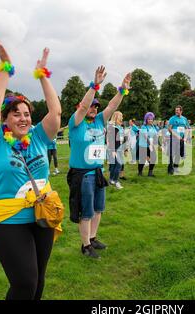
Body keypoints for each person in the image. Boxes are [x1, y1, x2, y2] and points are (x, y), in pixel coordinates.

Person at [0, 39, 62, 300]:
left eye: (27, 114)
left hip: (41, 215)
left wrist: (43, 74)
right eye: (17, 114)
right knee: (24, 282)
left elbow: (55, 112)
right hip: (5, 219)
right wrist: (6, 70)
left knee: (38, 281)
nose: (24, 118)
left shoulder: (39, 137)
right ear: (6, 119)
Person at [67, 67, 131, 259]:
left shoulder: (99, 122)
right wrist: (95, 86)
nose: (94, 108)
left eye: (96, 106)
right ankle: (85, 246)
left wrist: (122, 89)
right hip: (81, 174)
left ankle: (93, 238)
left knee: (98, 209)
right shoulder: (76, 123)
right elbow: (84, 107)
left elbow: (111, 106)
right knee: (85, 212)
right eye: (91, 106)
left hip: (97, 171)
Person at [167, 106, 190, 175]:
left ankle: (176, 167)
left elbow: (187, 129)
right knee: (172, 154)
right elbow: (169, 129)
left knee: (178, 154)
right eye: (175, 110)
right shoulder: (172, 118)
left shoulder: (184, 119)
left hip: (181, 139)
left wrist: (185, 138)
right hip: (174, 138)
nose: (176, 111)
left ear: (181, 111)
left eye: (178, 110)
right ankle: (170, 169)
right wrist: (176, 135)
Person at [107, 111, 126, 189]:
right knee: (118, 165)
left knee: (115, 165)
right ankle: (115, 180)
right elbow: (111, 140)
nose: (122, 118)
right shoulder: (113, 127)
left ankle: (111, 180)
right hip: (114, 149)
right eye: (120, 116)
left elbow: (122, 139)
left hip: (119, 149)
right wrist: (113, 150)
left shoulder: (120, 127)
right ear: (116, 117)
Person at [138, 112, 158, 177]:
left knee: (154, 158)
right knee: (142, 160)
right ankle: (140, 172)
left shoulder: (153, 127)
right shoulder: (144, 127)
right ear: (146, 119)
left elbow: (155, 136)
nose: (150, 120)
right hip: (144, 145)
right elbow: (145, 137)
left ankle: (150, 173)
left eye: (151, 119)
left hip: (151, 145)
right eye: (149, 119)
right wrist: (150, 145)